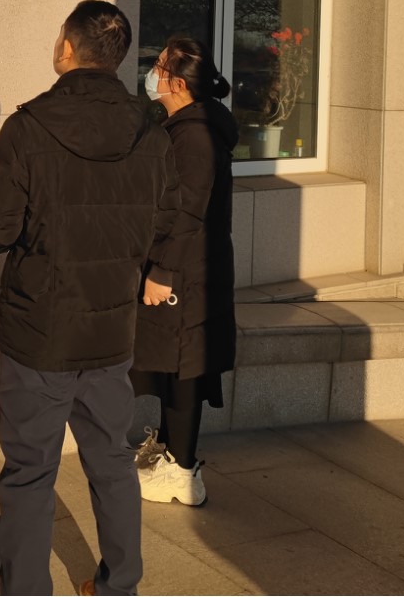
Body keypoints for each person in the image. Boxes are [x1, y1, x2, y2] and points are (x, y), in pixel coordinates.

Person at [0, 0, 188, 597]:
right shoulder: (150, 131)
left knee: (29, 473)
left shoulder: (29, 128)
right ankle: (121, 586)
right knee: (112, 461)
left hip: (40, 330)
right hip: (111, 331)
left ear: (67, 47)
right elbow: (170, 220)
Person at [130, 35, 238, 507]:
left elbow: (188, 210)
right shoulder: (187, 126)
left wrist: (162, 270)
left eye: (158, 66)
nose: (150, 73)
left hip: (187, 272)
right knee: (174, 363)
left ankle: (182, 469)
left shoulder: (194, 135)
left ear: (176, 83)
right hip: (189, 267)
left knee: (183, 366)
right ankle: (172, 454)